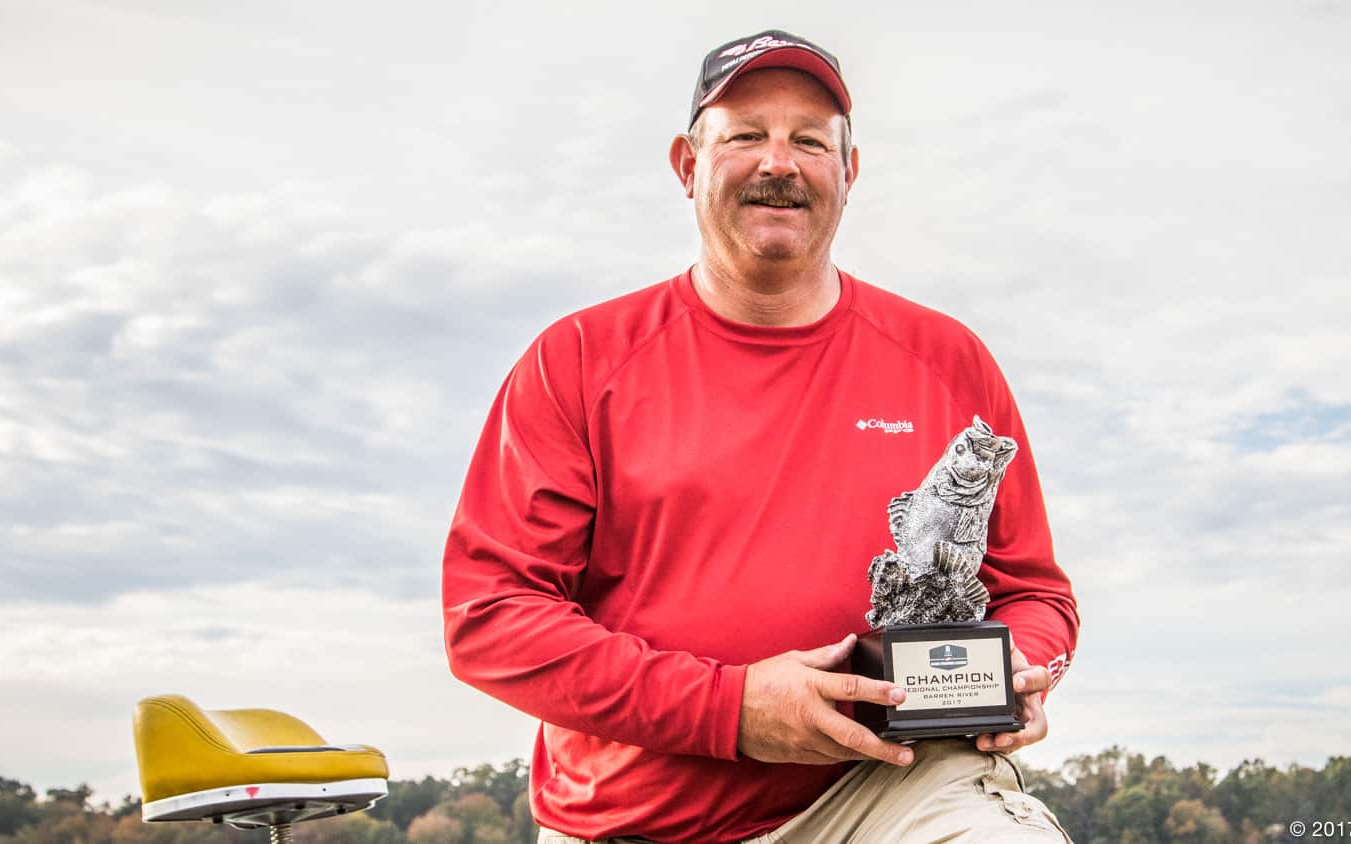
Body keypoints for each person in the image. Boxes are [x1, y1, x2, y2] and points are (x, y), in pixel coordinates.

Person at [443, 29, 1080, 844]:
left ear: (848, 173)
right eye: (746, 135)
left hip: (893, 789)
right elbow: (491, 617)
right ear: (687, 165)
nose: (779, 163)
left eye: (809, 141)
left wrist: (1019, 670)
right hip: (640, 820)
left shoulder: (949, 361)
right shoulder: (575, 361)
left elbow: (1034, 594)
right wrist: (731, 708)